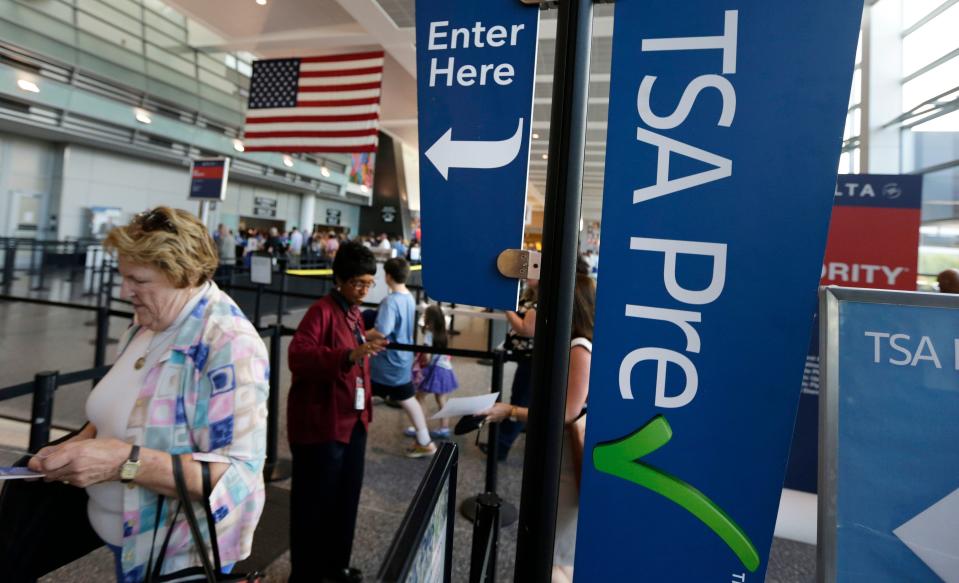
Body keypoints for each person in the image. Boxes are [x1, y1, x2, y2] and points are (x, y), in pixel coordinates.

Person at [28, 207, 269, 581]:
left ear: (182, 274)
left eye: (138, 279)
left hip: (177, 554)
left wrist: (123, 461)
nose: (126, 292)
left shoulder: (229, 345)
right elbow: (126, 407)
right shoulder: (147, 324)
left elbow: (234, 475)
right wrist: (76, 445)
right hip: (129, 538)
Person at [480, 274, 595, 582]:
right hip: (561, 453)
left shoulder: (579, 347)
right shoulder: (572, 343)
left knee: (556, 555)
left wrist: (511, 411)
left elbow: (567, 413)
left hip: (568, 458)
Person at [286, 241, 387, 583]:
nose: (364, 290)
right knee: (314, 506)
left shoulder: (353, 313)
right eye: (358, 283)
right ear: (339, 280)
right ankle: (307, 574)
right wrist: (347, 356)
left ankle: (335, 567)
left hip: (352, 424)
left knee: (345, 500)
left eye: (369, 284)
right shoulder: (322, 311)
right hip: (322, 427)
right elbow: (298, 356)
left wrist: (362, 343)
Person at [370, 258, 437, 458]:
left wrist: (361, 334)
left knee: (363, 390)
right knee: (407, 399)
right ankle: (424, 440)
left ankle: (426, 442)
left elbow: (382, 331)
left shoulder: (390, 301)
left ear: (388, 276)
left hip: (386, 363)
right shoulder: (408, 297)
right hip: (402, 359)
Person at [488, 278, 537, 461]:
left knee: (521, 400)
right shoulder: (529, 295)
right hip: (524, 357)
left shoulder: (540, 301)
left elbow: (525, 329)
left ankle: (501, 446)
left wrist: (507, 309)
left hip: (531, 359)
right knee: (519, 396)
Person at [410, 304, 459, 439]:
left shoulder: (428, 334)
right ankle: (444, 428)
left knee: (420, 397)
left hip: (433, 371)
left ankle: (419, 426)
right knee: (441, 399)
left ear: (429, 320)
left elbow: (427, 356)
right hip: (445, 369)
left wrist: (422, 360)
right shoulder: (444, 333)